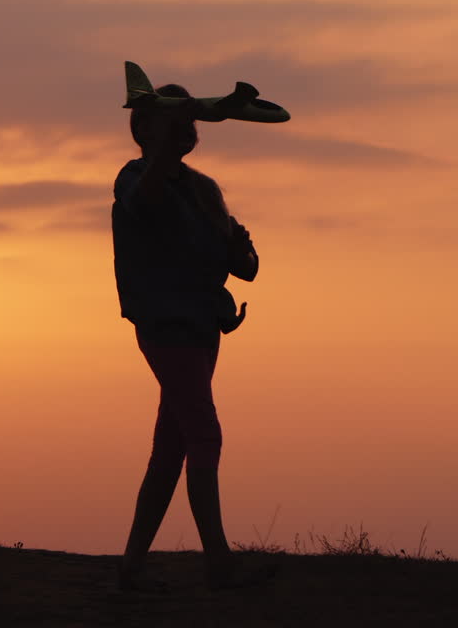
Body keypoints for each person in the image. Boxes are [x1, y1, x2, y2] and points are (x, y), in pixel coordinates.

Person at [112, 85, 261, 589]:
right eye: (171, 122)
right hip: (164, 323)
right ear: (144, 131)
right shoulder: (134, 177)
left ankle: (133, 561)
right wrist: (162, 149)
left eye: (188, 122)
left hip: (201, 325)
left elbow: (242, 265)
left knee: (171, 445)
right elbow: (146, 202)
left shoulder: (204, 190)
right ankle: (217, 556)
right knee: (203, 433)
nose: (185, 130)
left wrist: (242, 253)